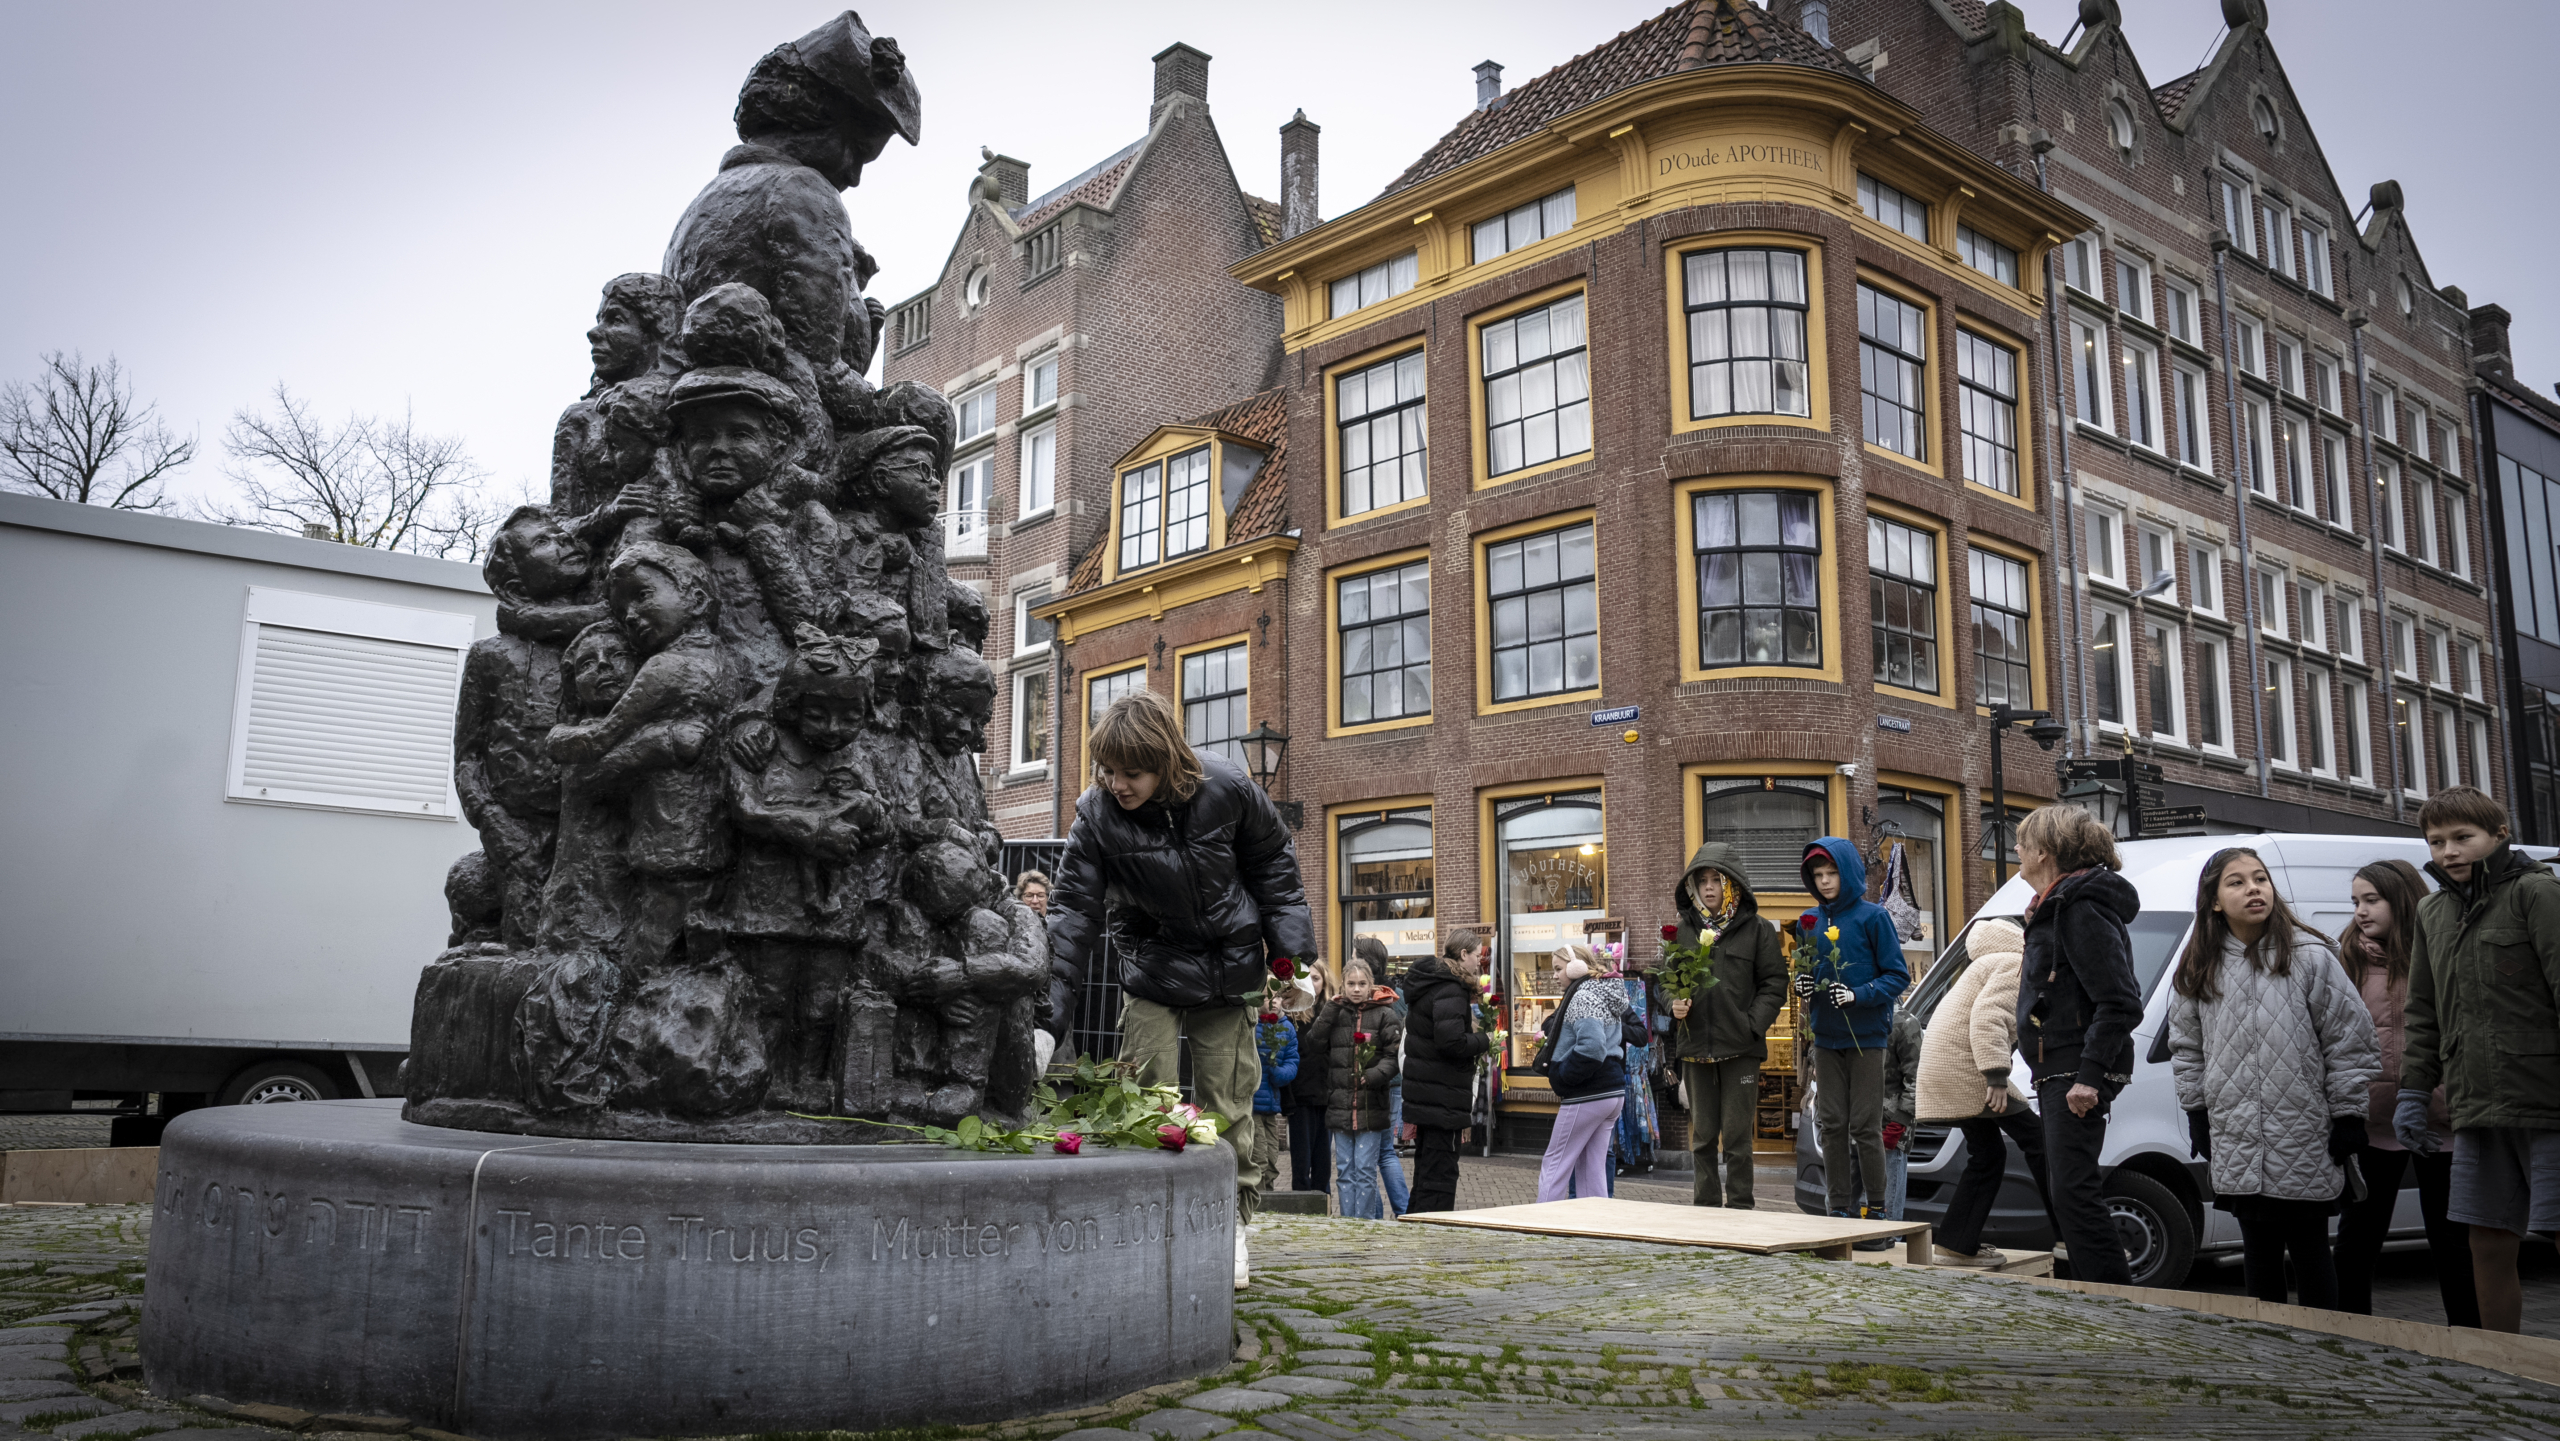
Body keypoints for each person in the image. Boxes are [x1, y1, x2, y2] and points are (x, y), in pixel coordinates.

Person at [1040, 688, 1315, 1292]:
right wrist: (1047, 1017)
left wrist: (1292, 961)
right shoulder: (1096, 814)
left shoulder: (1229, 790)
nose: (1117, 784)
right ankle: (1147, 1220)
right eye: (1106, 770)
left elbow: (1275, 868)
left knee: (1227, 1105)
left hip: (1229, 965)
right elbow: (1071, 914)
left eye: (1131, 772)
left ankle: (1230, 1227)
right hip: (1151, 966)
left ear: (1166, 759)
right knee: (1144, 1099)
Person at [2169, 847, 2379, 1309]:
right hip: (2237, 1133)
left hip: (2302, 1131)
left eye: (2260, 879)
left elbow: (2348, 1039)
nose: (2253, 889)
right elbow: (2186, 1047)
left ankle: (2326, 1347)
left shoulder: (2309, 956)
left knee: (2308, 1250)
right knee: (2258, 1252)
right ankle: (2267, 1351)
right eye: (2237, 882)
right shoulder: (2197, 964)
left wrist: (2348, 1112)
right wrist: (2197, 1109)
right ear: (2216, 900)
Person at [2399, 784, 2560, 1335]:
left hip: (2548, 1102)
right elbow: (2423, 1013)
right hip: (2477, 1107)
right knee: (2486, 1243)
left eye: (2462, 838)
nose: (2448, 852)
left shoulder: (2537, 894)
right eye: (2436, 841)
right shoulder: (2431, 911)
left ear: (2499, 835)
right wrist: (2414, 1092)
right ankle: (2502, 1371)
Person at [2333, 859, 2478, 1325]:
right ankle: (2352, 1338)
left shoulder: (2439, 950)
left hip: (2441, 1120)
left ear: (2401, 899)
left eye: (2371, 899)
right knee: (2358, 1240)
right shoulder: (2347, 959)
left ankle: (2469, 1341)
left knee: (2453, 1240)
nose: (2360, 910)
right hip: (2373, 1124)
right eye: (2355, 901)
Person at [2012, 805, 2142, 1286]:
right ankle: (2097, 1296)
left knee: (2073, 1191)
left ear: (2045, 852)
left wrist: (2088, 1077)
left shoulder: (2079, 907)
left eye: (2022, 845)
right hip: (2058, 1070)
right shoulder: (2056, 905)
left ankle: (2116, 1305)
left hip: (2073, 1073)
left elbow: (2120, 1001)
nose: (2017, 854)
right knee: (2067, 1190)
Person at [1914, 919, 2056, 1269]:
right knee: (2040, 1143)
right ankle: (2074, 1234)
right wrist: (1996, 1076)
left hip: (1947, 1068)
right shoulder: (2013, 963)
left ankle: (1956, 1244)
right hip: (1970, 1071)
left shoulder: (1981, 965)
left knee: (1988, 1154)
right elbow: (1989, 1019)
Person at [1660, 842, 1786, 1209]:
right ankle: (1706, 1211)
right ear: (1693, 887)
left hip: (1741, 1049)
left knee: (1735, 1138)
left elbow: (1775, 983)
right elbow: (1667, 984)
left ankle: (1742, 1209)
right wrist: (1674, 1004)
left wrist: (1751, 1025)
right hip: (1695, 1048)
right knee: (1701, 1138)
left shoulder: (1759, 930)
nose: (1709, 887)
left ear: (1732, 884)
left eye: (1717, 879)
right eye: (1702, 881)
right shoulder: (1680, 932)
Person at [1796, 837, 1910, 1224]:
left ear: (1848, 873)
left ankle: (1876, 1209)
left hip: (1867, 1039)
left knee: (1865, 1126)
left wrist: (1859, 995)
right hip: (1826, 1038)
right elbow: (1805, 971)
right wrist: (1802, 985)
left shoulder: (1874, 918)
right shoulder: (1808, 922)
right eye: (1818, 874)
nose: (1825, 881)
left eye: (1832, 873)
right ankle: (1839, 1207)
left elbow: (1898, 975)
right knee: (1831, 1125)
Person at [1536, 944, 1646, 1203]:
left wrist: (1562, 1076)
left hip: (1588, 1093)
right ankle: (1594, 1226)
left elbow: (1592, 1046)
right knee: (1591, 1167)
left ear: (1576, 967)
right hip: (1612, 1091)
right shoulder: (1601, 992)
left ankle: (1541, 1221)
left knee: (1556, 1162)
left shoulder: (1583, 996)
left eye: (1558, 969)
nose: (1555, 976)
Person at [1399, 928, 1493, 1214]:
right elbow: (1450, 1041)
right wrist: (1485, 1040)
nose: (1480, 962)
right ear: (1463, 954)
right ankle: (1432, 1232)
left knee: (1426, 1170)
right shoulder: (1451, 988)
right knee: (1440, 1174)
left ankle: (1416, 1225)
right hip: (1443, 1099)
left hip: (1428, 1096)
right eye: (1478, 955)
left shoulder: (1430, 984)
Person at [1309, 953, 1403, 1219]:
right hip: (1340, 1105)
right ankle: (1347, 1224)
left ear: (1370, 984)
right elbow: (1314, 1042)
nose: (1357, 989)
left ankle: (1364, 1224)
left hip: (1370, 1105)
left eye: (1362, 983)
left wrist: (1373, 1075)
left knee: (1364, 1169)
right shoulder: (1335, 1012)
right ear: (1343, 986)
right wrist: (1330, 1008)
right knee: (1344, 1169)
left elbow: (1394, 1056)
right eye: (1351, 984)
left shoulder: (1385, 1014)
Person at [1354, 936, 1413, 1218]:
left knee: (1369, 1156)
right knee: (1385, 1152)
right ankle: (1403, 1211)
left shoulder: (1371, 1001)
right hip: (1395, 1082)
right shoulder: (1395, 997)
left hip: (1376, 1083)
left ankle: (1375, 1216)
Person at [1280, 972, 1332, 1195]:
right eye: (1308, 978)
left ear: (1325, 982)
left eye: (1317, 978)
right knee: (1301, 1158)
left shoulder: (1331, 1012)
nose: (1312, 983)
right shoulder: (1291, 1016)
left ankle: (1323, 1203)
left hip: (1326, 1094)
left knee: (1323, 1158)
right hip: (1301, 1095)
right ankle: (1301, 1204)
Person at [1249, 1005, 1299, 1205]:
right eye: (1269, 996)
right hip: (1252, 1105)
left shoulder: (1286, 1027)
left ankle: (1266, 1201)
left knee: (1271, 1159)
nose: (1274, 1002)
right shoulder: (1252, 1023)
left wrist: (1279, 1073)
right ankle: (1257, 1206)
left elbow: (1292, 1060)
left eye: (1278, 996)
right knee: (1259, 1158)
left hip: (1271, 1105)